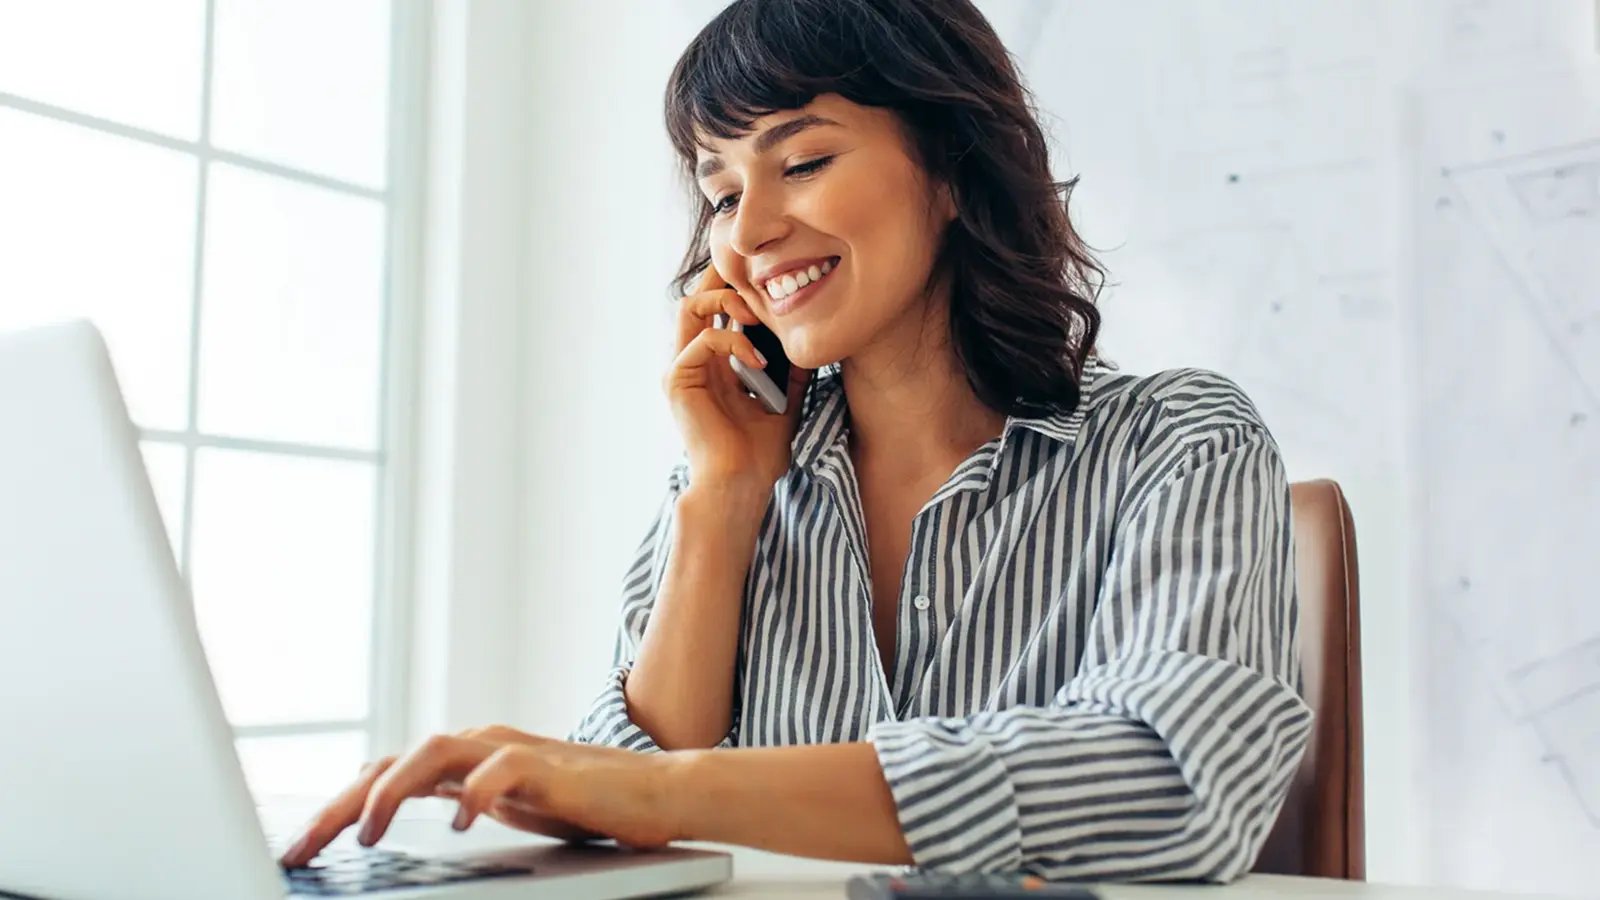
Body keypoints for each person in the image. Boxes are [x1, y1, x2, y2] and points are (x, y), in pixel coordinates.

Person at [281, 0, 1310, 882]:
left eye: (803, 162)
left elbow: (1169, 774)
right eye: (722, 190)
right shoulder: (733, 478)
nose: (746, 231)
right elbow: (619, 802)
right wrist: (724, 496)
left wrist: (665, 791)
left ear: (953, 170)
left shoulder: (1178, 441)